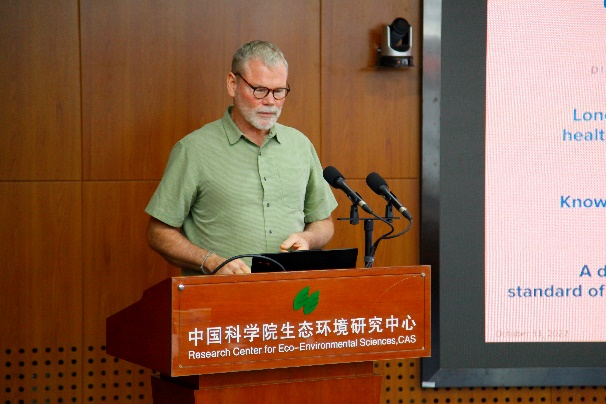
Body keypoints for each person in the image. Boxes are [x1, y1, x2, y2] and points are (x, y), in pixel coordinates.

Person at [145, 40, 338, 276]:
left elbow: (323, 222)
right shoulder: (193, 149)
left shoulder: (300, 145)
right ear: (232, 84)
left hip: (291, 291)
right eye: (260, 90)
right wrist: (211, 261)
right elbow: (158, 232)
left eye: (279, 91)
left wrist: (308, 238)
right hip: (221, 293)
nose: (270, 101)